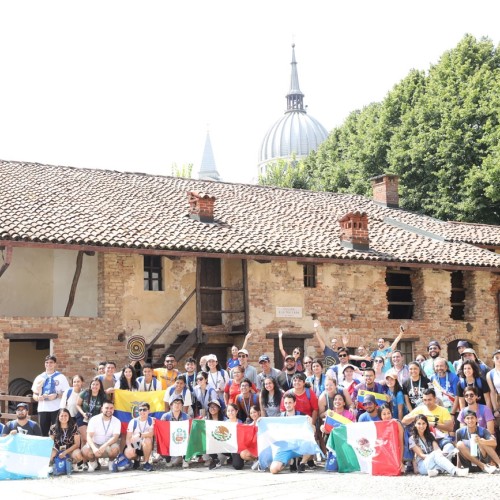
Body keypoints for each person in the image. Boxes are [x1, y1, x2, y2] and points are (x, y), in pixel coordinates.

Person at [270, 392, 314, 474]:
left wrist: (310, 423)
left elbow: (313, 431)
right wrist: (261, 420)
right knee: (273, 470)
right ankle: (287, 462)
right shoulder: (280, 417)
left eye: (290, 402)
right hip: (285, 447)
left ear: (294, 403)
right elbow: (273, 431)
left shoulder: (302, 416)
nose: (288, 405)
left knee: (310, 442)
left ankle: (302, 463)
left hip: (299, 446)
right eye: (286, 403)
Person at [402, 389, 454, 454]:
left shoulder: (443, 410)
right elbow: (404, 421)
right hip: (425, 440)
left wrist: (433, 424)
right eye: (425, 400)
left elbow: (450, 428)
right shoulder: (420, 409)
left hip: (440, 439)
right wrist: (417, 416)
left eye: (429, 400)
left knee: (449, 447)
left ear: (435, 399)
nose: (427, 402)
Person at [32, 355, 70, 435]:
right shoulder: (39, 377)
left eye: (51, 362)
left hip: (56, 408)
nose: (49, 364)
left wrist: (56, 396)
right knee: (43, 432)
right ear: (44, 364)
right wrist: (38, 398)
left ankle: (56, 447)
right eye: (47, 362)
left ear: (55, 364)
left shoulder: (61, 377)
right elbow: (34, 395)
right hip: (43, 408)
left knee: (57, 432)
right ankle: (45, 447)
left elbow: (66, 394)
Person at [82, 400, 121, 471]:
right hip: (95, 445)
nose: (109, 410)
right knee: (85, 450)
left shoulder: (117, 421)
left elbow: (115, 437)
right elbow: (89, 436)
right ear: (102, 408)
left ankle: (111, 462)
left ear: (113, 409)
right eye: (106, 408)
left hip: (108, 446)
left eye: (111, 408)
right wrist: (94, 448)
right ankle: (94, 463)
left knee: (115, 448)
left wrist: (105, 445)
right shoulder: (94, 419)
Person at [160, 396, 191, 469]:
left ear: (182, 405)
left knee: (189, 437)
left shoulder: (186, 417)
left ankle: (185, 459)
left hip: (182, 438)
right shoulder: (165, 416)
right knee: (162, 440)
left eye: (179, 403)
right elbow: (161, 430)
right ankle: (168, 460)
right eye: (175, 403)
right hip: (170, 439)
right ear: (171, 405)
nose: (177, 405)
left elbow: (191, 429)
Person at [124, 401, 155, 472]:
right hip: (136, 444)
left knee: (147, 440)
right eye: (140, 410)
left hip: (146, 444)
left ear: (148, 411)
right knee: (128, 453)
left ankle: (146, 462)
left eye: (144, 409)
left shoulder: (151, 420)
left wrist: (139, 435)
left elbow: (151, 434)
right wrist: (129, 447)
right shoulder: (133, 421)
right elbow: (128, 437)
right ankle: (136, 459)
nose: (142, 411)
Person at [76, 377, 107, 445]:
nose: (95, 386)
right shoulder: (85, 393)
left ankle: (88, 453)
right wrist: (83, 413)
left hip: (95, 419)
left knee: (91, 438)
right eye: (93, 384)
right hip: (82, 417)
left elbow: (103, 409)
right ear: (90, 385)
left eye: (97, 384)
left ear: (100, 386)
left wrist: (99, 418)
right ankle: (83, 454)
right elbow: (78, 404)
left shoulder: (103, 396)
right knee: (85, 438)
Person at [378, 403, 405, 473]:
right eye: (384, 414)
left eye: (388, 413)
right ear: (380, 416)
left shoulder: (397, 423)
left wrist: (400, 461)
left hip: (398, 453)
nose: (387, 416)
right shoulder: (379, 425)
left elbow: (401, 443)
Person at [205, 399, 227, 470]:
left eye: (214, 406)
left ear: (219, 408)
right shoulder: (206, 419)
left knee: (222, 459)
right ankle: (214, 459)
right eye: (210, 407)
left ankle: (220, 458)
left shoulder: (225, 420)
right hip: (211, 446)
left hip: (223, 445)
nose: (212, 409)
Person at [486, 349, 500, 428]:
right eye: (497, 358)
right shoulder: (490, 374)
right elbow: (492, 392)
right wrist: (495, 409)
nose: (499, 360)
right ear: (493, 359)